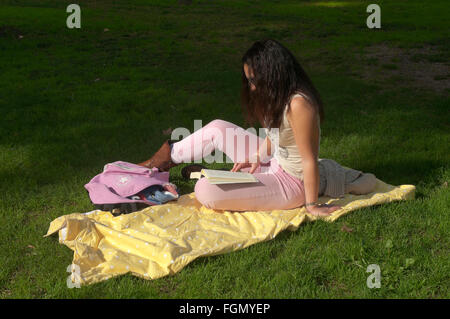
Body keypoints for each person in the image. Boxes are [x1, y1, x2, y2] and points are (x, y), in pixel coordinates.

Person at [137, 39, 377, 216]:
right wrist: (256, 157)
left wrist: (312, 205)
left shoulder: (299, 104)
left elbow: (309, 160)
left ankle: (210, 176)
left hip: (294, 183)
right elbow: (275, 135)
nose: (251, 87)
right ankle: (155, 165)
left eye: (253, 80)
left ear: (273, 74)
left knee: (205, 190)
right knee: (217, 128)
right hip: (274, 161)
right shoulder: (277, 96)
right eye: (248, 80)